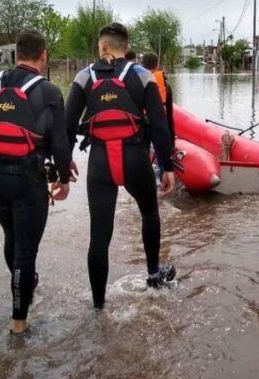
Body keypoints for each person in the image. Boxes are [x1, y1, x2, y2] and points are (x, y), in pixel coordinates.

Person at [0, 30, 73, 335]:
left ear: (15, 54)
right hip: (28, 180)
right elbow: (61, 144)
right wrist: (64, 179)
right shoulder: (49, 91)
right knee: (26, 252)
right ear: (44, 55)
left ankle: (23, 287)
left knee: (11, 238)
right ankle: (18, 325)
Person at [65, 22, 176, 310]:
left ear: (101, 47)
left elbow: (66, 126)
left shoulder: (83, 77)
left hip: (100, 162)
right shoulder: (141, 75)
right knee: (149, 212)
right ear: (126, 49)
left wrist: (64, 163)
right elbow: (160, 126)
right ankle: (153, 276)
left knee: (99, 233)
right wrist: (167, 167)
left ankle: (99, 305)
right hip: (135, 158)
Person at [141, 52, 176, 153]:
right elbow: (169, 116)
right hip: (161, 127)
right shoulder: (166, 86)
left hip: (145, 127)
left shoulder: (138, 83)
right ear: (157, 65)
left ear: (142, 65)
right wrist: (172, 142)